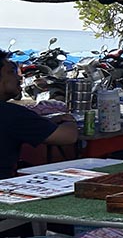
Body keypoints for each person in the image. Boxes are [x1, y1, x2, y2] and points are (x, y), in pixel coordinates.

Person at [0, 51, 78, 179]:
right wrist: (69, 120)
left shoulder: (14, 115)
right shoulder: (11, 114)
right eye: (11, 72)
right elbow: (68, 137)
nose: (19, 78)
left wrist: (46, 122)